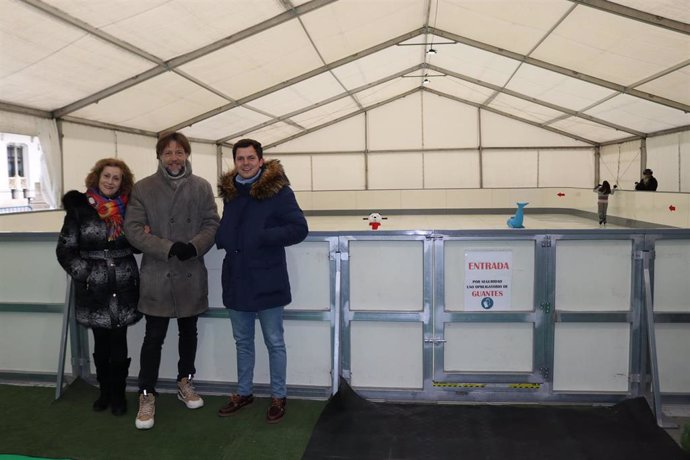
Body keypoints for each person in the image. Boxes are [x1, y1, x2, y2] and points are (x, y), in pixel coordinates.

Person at [124, 132, 219, 430]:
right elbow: (133, 229)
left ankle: (185, 381)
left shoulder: (202, 187)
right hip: (157, 273)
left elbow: (211, 222)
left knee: (188, 333)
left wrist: (194, 246)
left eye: (179, 152)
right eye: (168, 153)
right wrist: (167, 247)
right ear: (159, 156)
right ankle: (146, 393)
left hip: (190, 270)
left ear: (187, 155)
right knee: (153, 338)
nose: (174, 158)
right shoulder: (143, 188)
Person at [215, 138, 308, 424]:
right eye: (240, 158)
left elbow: (299, 228)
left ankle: (279, 396)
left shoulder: (279, 192)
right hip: (237, 277)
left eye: (250, 158)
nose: (245, 163)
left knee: (274, 341)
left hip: (268, 278)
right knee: (242, 340)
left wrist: (263, 237)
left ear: (261, 160)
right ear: (235, 162)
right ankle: (245, 392)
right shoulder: (230, 193)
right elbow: (227, 226)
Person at [56, 158, 142, 416]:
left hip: (124, 285)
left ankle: (118, 395)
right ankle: (104, 392)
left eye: (116, 178)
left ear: (122, 183)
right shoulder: (79, 209)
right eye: (107, 176)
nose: (110, 182)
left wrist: (145, 233)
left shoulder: (130, 209)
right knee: (101, 343)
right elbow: (65, 249)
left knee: (120, 342)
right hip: (95, 290)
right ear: (97, 177)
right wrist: (88, 274)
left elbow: (138, 245)